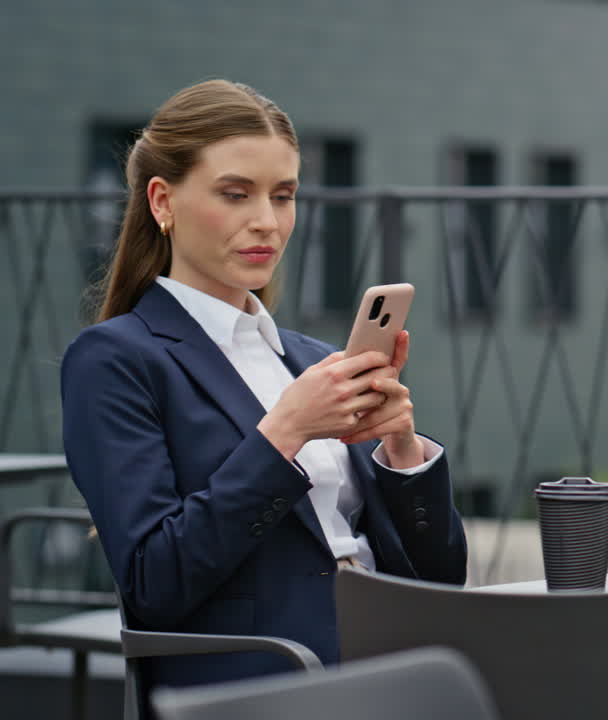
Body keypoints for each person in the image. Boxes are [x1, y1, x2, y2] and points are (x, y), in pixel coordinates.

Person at [61, 80, 467, 695]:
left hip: (394, 658)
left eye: (284, 196)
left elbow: (442, 578)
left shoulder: (313, 359)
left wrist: (401, 451)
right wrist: (285, 431)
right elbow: (154, 583)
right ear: (162, 201)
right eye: (235, 193)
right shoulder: (116, 360)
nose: (267, 222)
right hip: (270, 675)